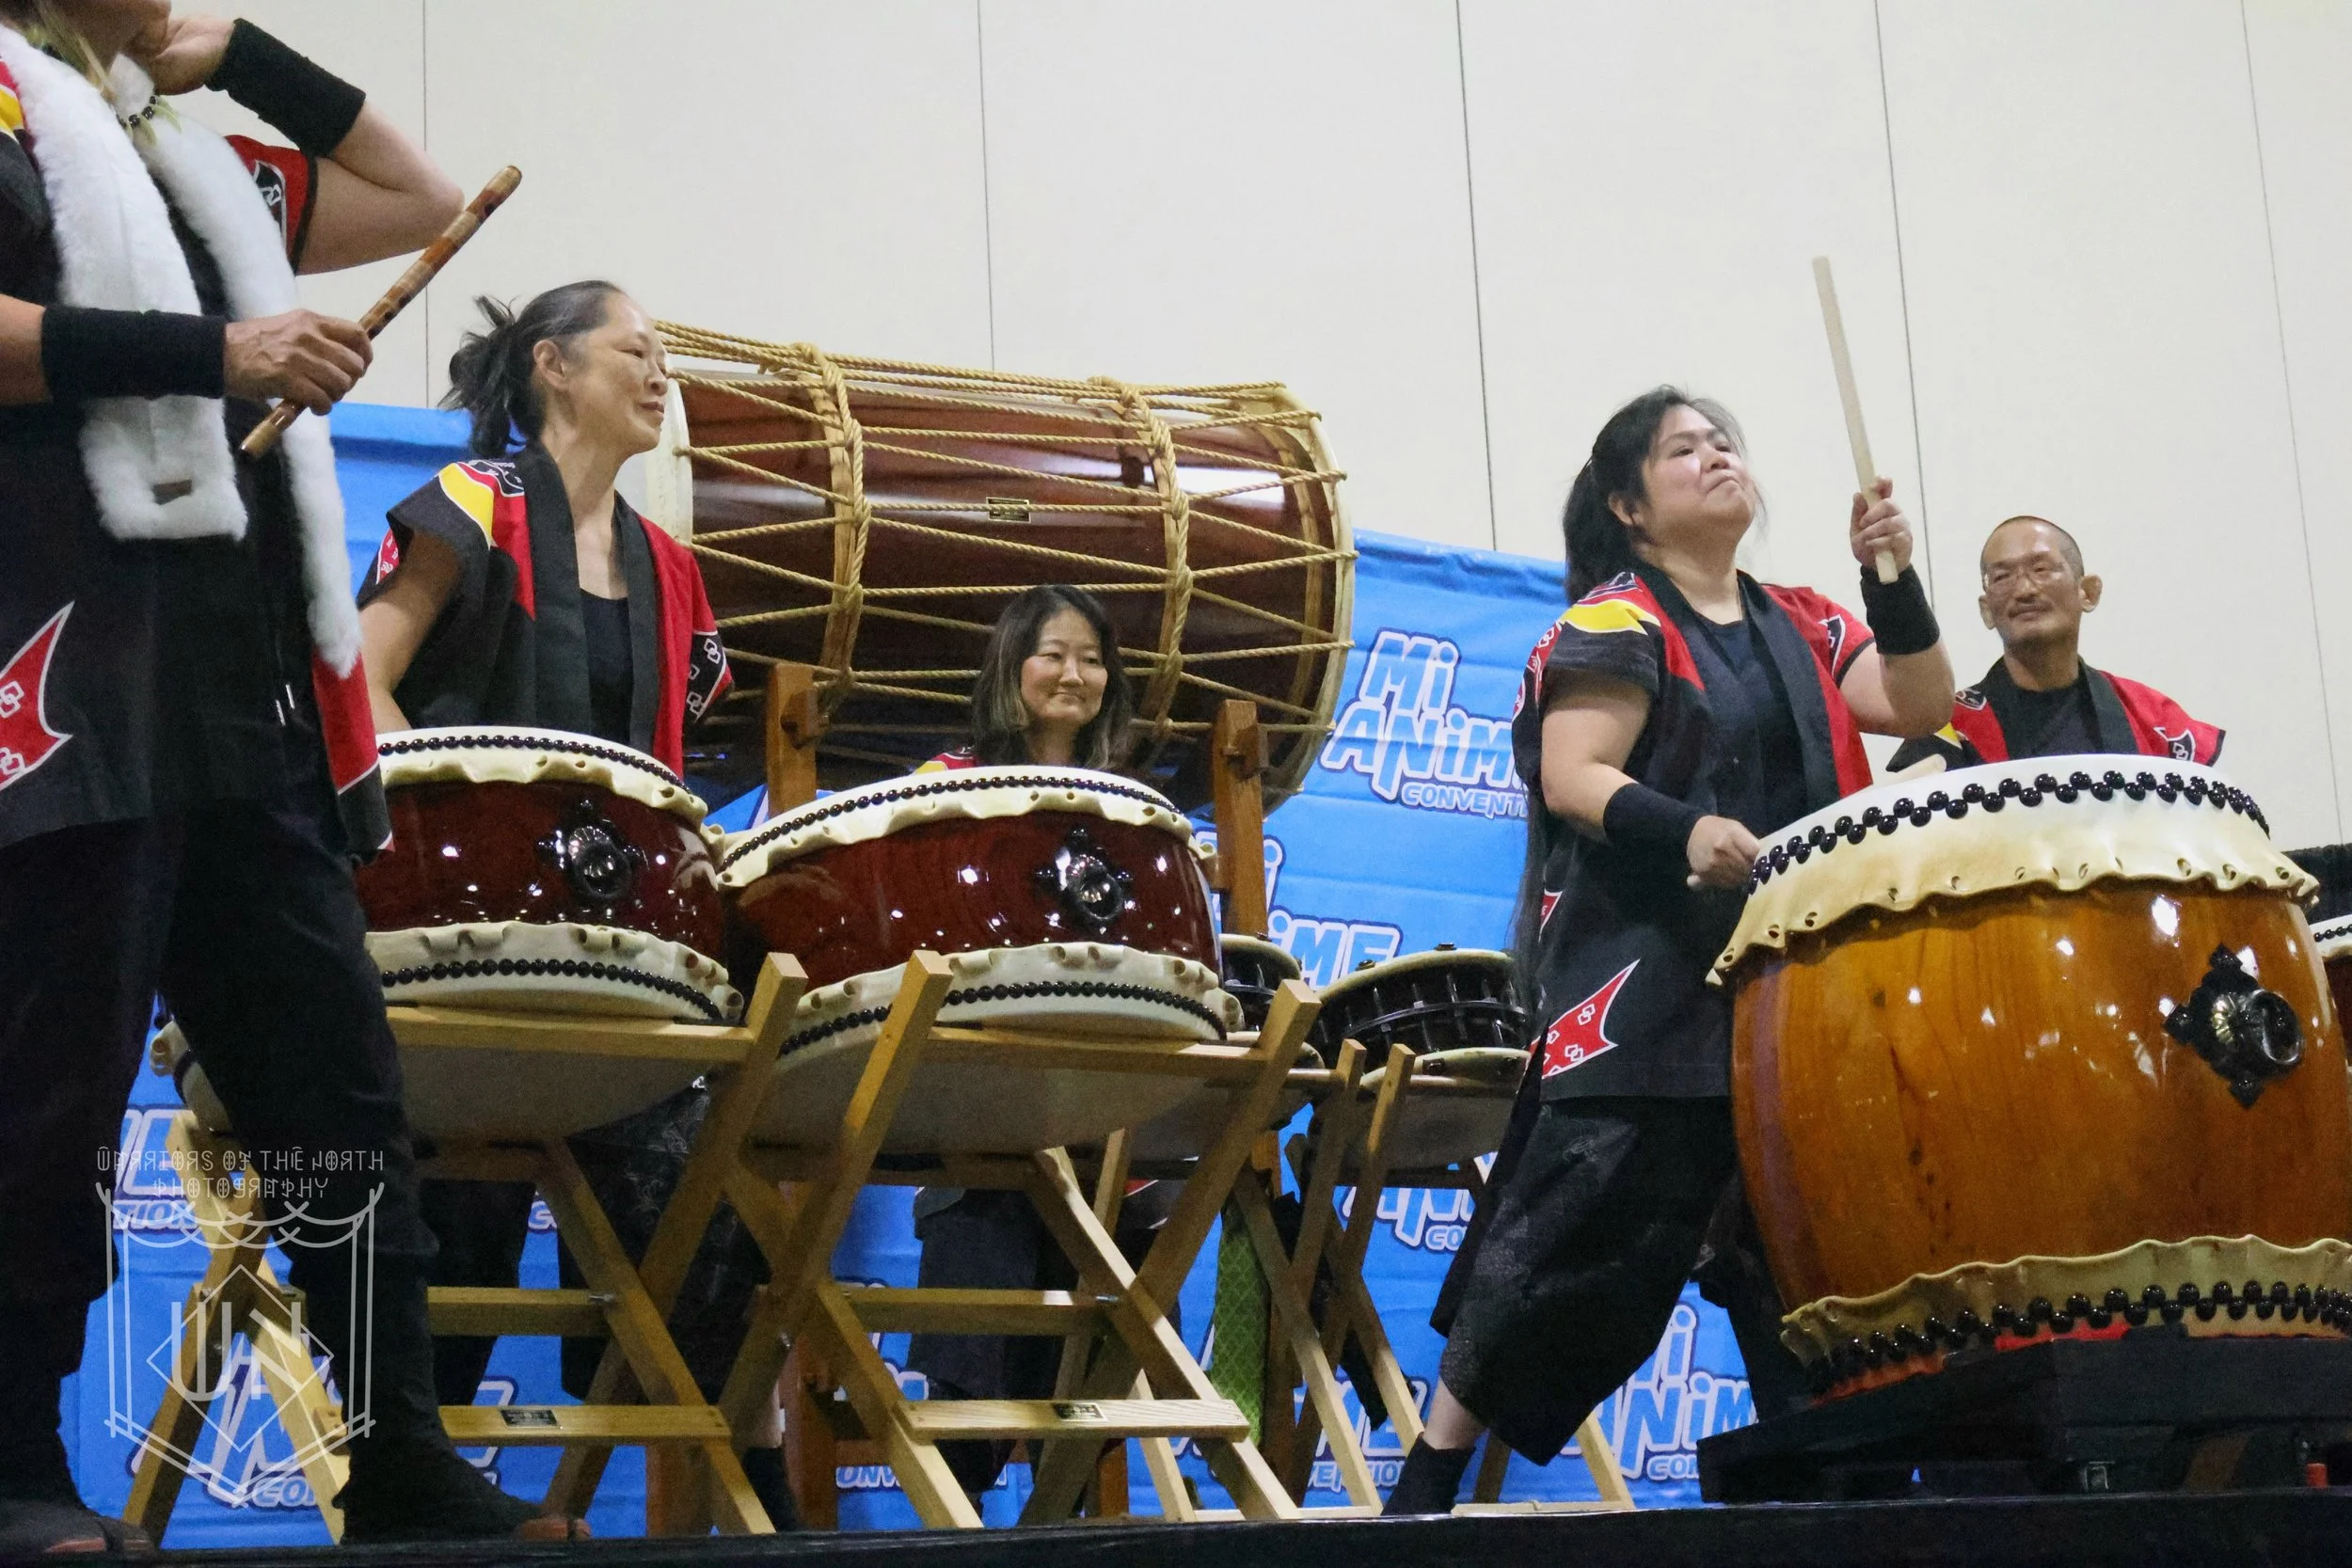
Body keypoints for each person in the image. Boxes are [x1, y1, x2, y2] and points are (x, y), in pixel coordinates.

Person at [0, 1, 582, 1551]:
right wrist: (220, 350)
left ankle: (395, 1453)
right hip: (64, 666)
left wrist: (251, 58)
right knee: (45, 1092)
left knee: (339, 1093)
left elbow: (415, 198)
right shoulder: (9, 119)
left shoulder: (178, 154)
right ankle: (10, 1458)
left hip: (237, 686)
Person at [1383, 388, 1956, 1514]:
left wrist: (1890, 579)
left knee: (1803, 1255)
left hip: (1795, 988)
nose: (1714, 455)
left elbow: (1919, 698)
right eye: (1681, 448)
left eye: (1722, 440)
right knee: (1569, 1238)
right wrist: (1685, 829)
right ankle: (1426, 1486)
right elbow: (1573, 775)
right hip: (1647, 987)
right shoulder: (1616, 620)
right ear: (1628, 506)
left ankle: (1830, 1497)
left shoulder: (1804, 617)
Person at [355, 282, 797, 1528]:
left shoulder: (673, 568)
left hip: (620, 954)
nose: (661, 375)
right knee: (458, 1235)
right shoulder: (470, 504)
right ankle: (411, 1500)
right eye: (634, 351)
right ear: (552, 365)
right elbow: (362, 680)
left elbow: (673, 756)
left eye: (665, 358)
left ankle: (766, 1513)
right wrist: (442, 824)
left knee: (706, 1232)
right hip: (463, 938)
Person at [903, 582, 1152, 1503]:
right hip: (978, 1093)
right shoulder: (945, 780)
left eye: (1092, 658)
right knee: (978, 1337)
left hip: (1091, 1101)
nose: (1073, 673)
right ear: (1012, 664)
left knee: (1088, 1370)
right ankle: (961, 1521)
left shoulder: (1128, 804)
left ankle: (1061, 1517)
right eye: (1053, 652)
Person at [1888, 514, 2220, 771]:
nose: (2024, 590)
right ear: (1987, 610)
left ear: (2087, 592)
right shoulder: (1951, 731)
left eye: (2041, 569)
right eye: (2002, 577)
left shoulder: (2154, 718)